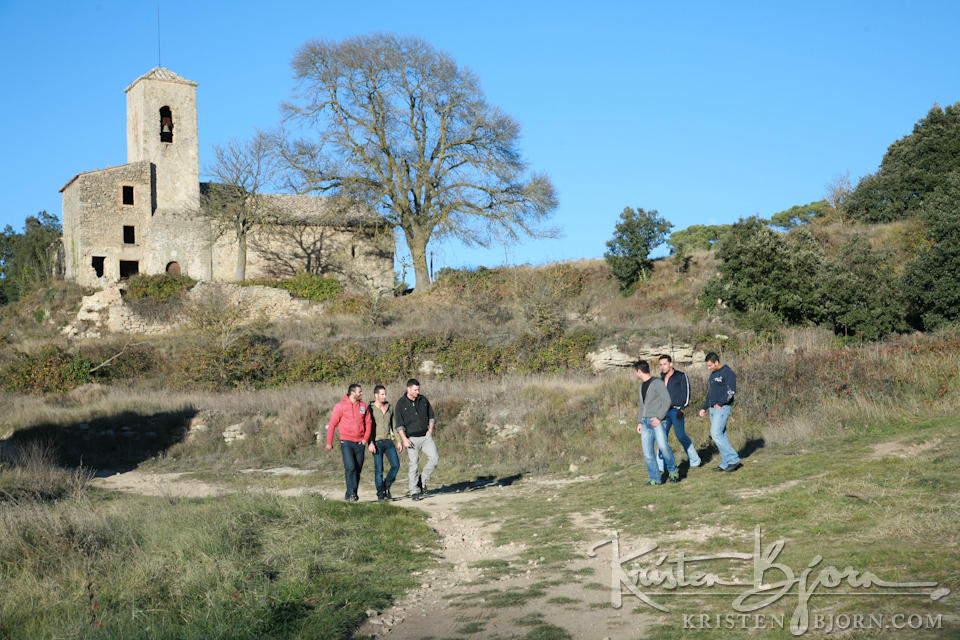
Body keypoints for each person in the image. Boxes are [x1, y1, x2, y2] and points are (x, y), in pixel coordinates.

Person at [634, 360, 679, 485]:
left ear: (639, 371)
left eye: (635, 372)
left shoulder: (657, 383)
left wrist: (659, 418)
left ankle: (673, 472)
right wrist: (639, 422)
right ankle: (655, 479)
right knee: (648, 453)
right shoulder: (641, 386)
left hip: (658, 422)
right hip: (645, 423)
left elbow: (667, 401)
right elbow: (642, 406)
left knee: (664, 448)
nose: (636, 374)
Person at [325, 383, 371, 501]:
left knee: (358, 469)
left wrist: (365, 439)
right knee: (350, 467)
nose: (362, 393)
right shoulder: (340, 406)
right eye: (359, 392)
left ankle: (350, 493)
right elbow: (332, 424)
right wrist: (329, 442)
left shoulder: (364, 406)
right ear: (352, 393)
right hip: (346, 442)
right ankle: (352, 494)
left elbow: (369, 423)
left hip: (360, 443)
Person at [698, 352, 742, 472]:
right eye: (707, 366)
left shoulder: (728, 372)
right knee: (721, 435)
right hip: (712, 409)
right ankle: (725, 463)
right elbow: (710, 394)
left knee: (715, 434)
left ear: (716, 362)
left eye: (710, 365)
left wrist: (720, 403)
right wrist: (704, 407)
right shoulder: (712, 375)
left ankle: (733, 459)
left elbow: (731, 391)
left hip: (722, 408)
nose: (709, 368)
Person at [656, 354, 701, 471]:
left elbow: (687, 393)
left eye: (665, 364)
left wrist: (682, 408)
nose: (663, 367)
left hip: (676, 411)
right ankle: (661, 466)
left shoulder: (680, 376)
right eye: (661, 365)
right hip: (664, 413)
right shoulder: (661, 379)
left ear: (671, 364)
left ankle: (695, 460)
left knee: (680, 435)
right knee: (661, 437)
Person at [395, 378, 438, 501]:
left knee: (434, 459)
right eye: (415, 390)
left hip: (425, 436)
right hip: (411, 439)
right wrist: (404, 439)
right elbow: (399, 425)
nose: (417, 392)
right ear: (408, 389)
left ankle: (422, 480)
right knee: (413, 464)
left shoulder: (423, 400)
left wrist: (430, 430)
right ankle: (414, 491)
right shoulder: (401, 404)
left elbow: (431, 416)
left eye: (418, 389)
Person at [367, 384, 401, 501]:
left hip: (388, 441)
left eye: (385, 394)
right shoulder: (370, 408)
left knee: (396, 465)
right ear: (376, 395)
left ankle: (386, 486)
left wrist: (399, 441)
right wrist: (370, 443)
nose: (384, 396)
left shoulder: (389, 407)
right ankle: (381, 495)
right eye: (382, 394)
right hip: (376, 442)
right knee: (379, 470)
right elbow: (367, 427)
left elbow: (394, 425)